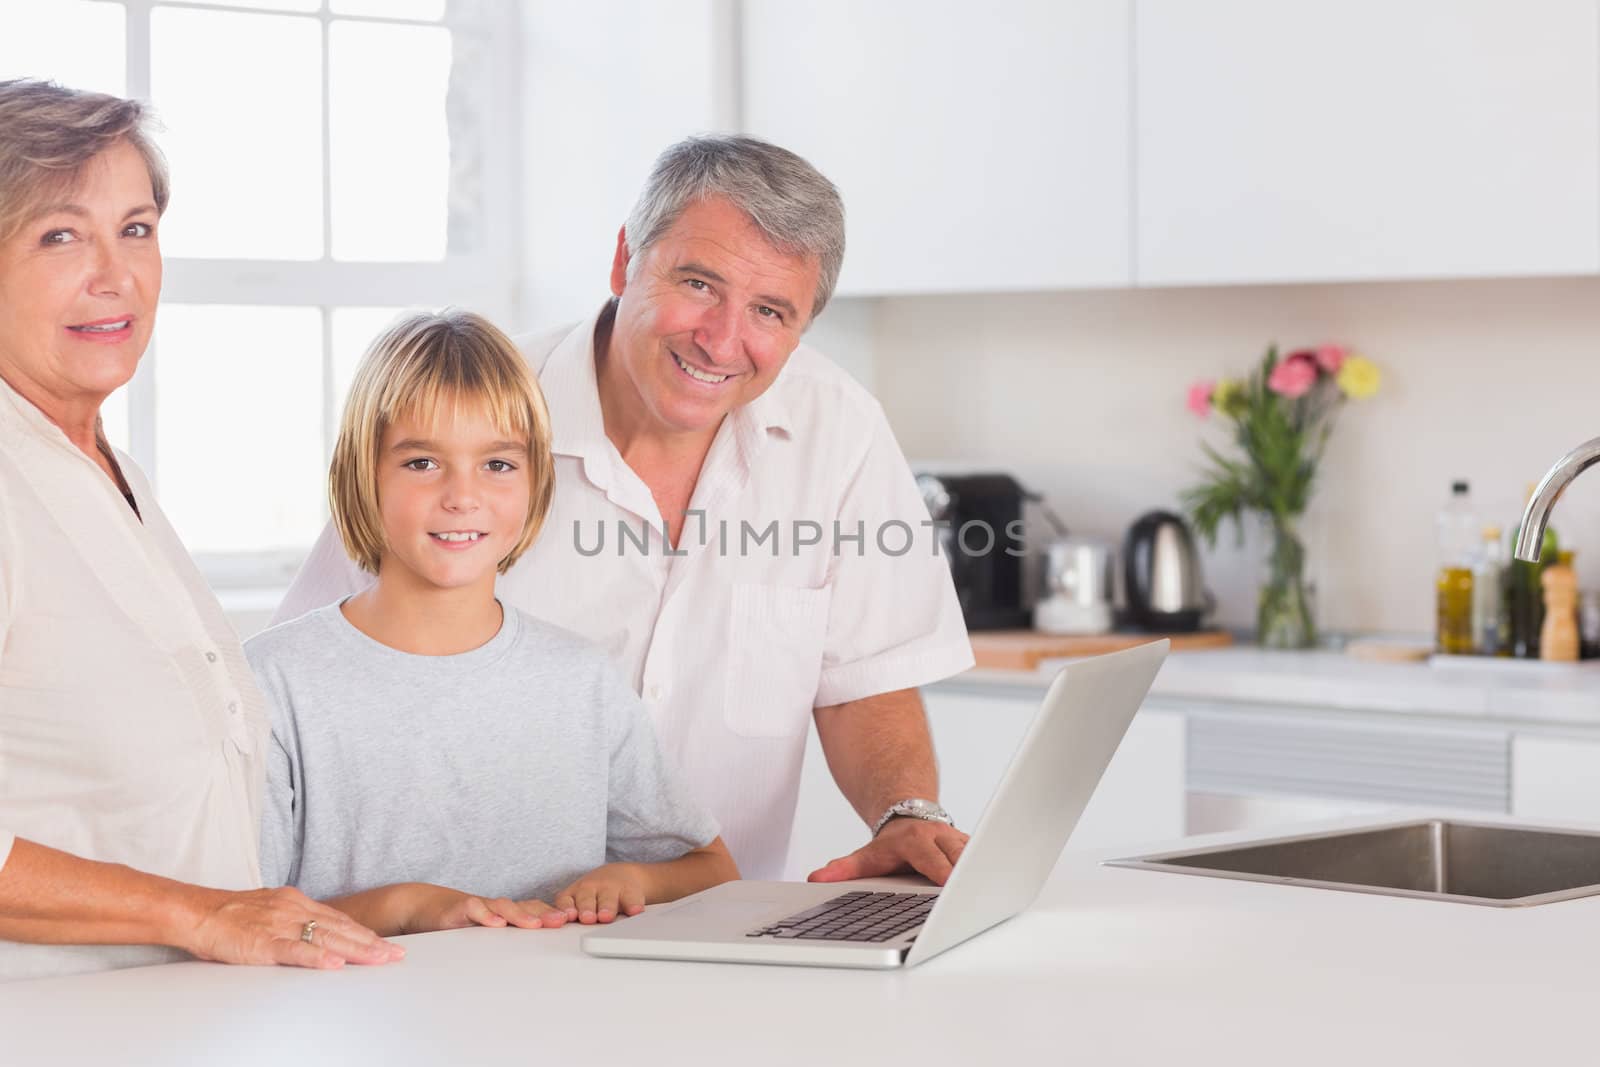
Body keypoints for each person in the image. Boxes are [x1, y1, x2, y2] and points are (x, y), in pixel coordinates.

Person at [276, 136, 974, 883]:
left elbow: (865, 678)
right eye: (699, 284)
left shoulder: (840, 429)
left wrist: (907, 812)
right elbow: (314, 674)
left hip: (718, 923)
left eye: (769, 310)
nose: (721, 339)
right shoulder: (478, 421)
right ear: (624, 261)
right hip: (466, 933)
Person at [0, 79, 402, 981]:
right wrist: (202, 913)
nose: (117, 274)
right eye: (59, 235)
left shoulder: (106, 468)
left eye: (136, 229)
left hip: (172, 1020)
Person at [248, 311, 738, 935]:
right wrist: (403, 908)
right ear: (362, 473)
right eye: (422, 462)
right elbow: (236, 919)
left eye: (498, 465)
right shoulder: (271, 684)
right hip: (350, 1028)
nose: (462, 496)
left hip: (554, 1026)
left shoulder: (581, 682)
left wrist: (634, 878)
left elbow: (712, 869)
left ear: (535, 481)